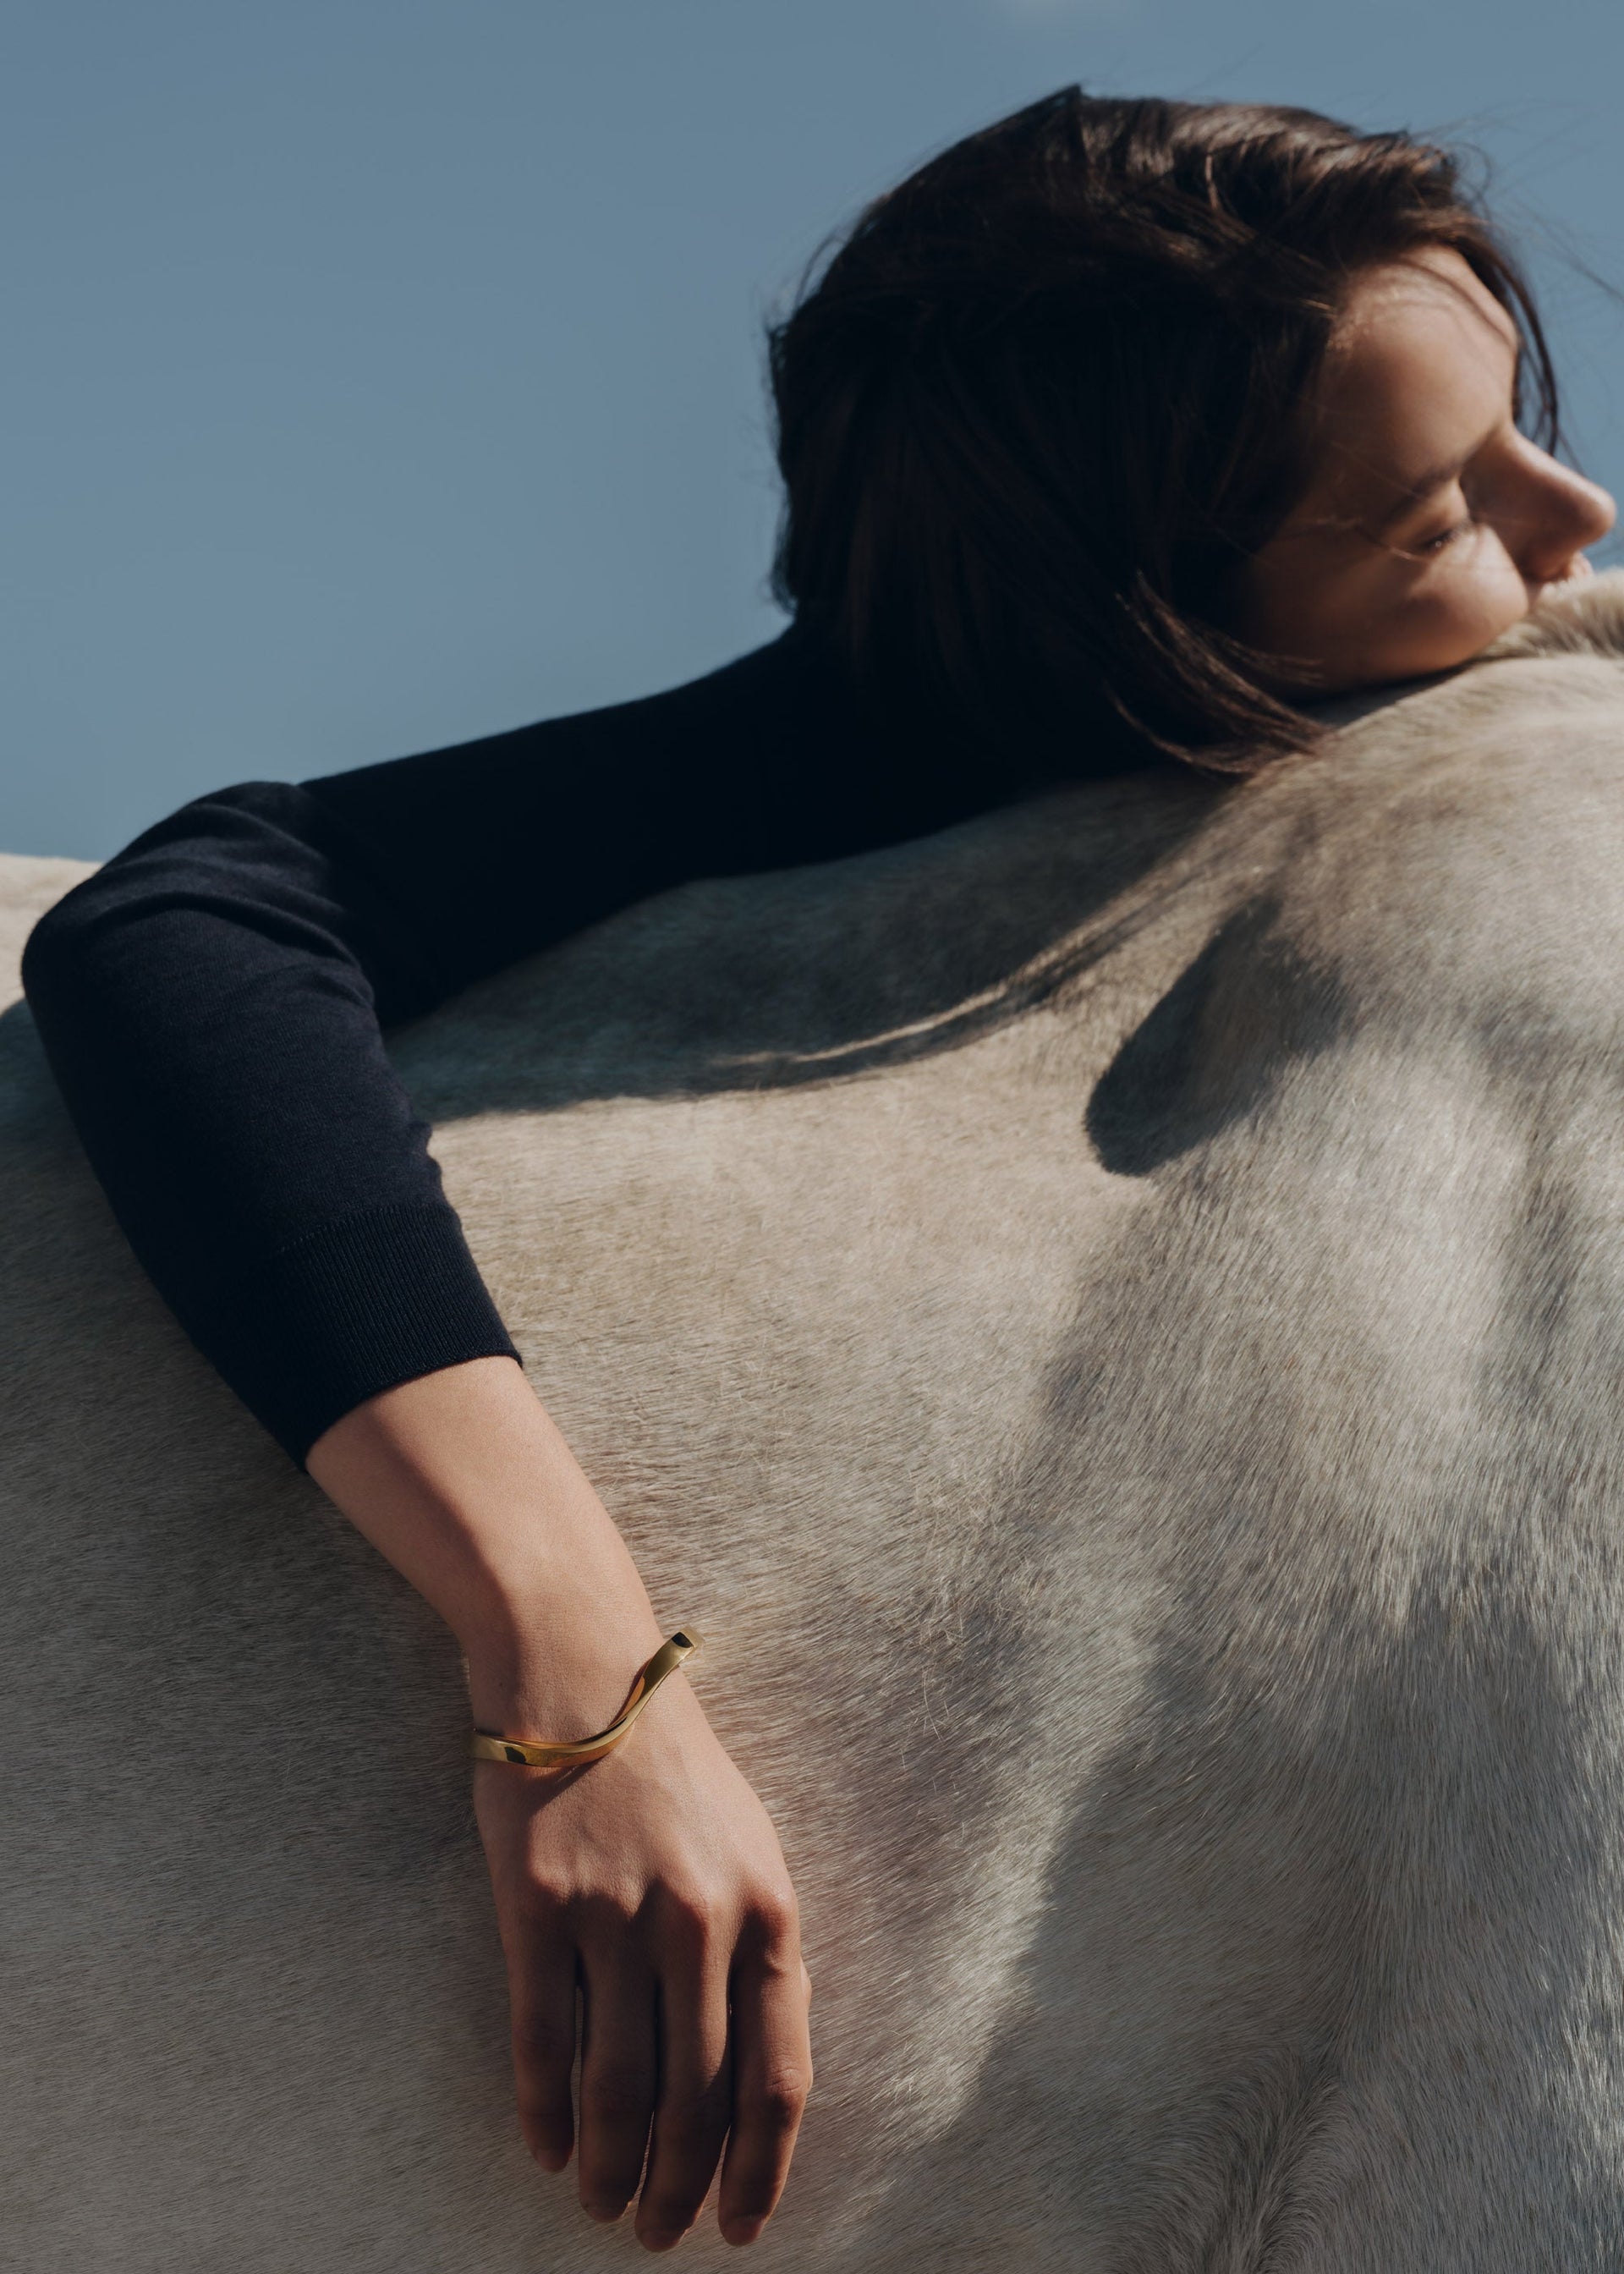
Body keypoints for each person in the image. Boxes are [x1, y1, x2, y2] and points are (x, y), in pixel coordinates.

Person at [20, 87, 1615, 2255]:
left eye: (1529, 427)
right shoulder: (843, 746)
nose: (1575, 512)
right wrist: (575, 1675)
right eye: (1437, 519)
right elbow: (179, 929)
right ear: (1145, 618)